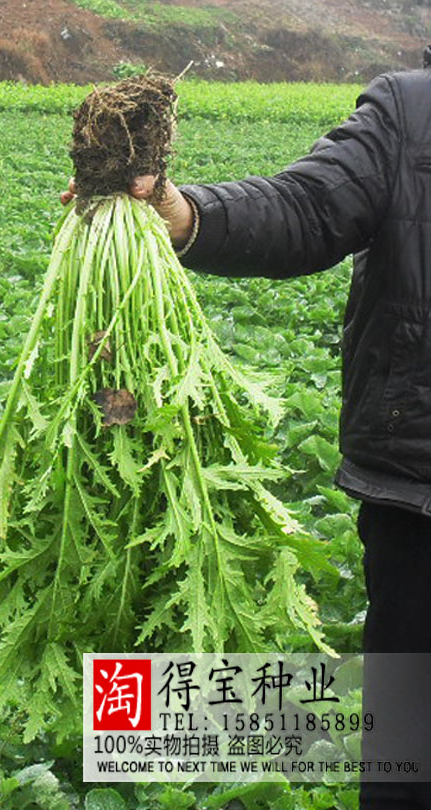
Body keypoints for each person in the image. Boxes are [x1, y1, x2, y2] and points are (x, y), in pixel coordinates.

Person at [62, 47, 431, 810]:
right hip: (419, 496)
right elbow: (308, 208)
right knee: (409, 750)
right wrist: (183, 212)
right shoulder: (411, 112)